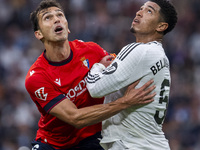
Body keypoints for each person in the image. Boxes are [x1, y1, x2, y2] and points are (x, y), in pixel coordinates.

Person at [25, 0, 156, 149]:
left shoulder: (92, 51)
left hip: (92, 137)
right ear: (39, 34)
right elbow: (74, 117)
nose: (56, 19)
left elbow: (124, 76)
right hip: (54, 144)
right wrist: (126, 101)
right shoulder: (36, 77)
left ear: (67, 27)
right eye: (47, 17)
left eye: (60, 15)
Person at [86, 0, 178, 149]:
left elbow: (95, 88)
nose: (139, 12)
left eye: (149, 11)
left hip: (132, 144)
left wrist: (99, 67)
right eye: (141, 8)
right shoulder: (160, 56)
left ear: (161, 26)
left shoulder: (140, 50)